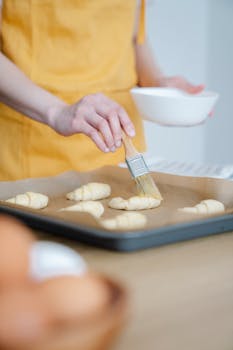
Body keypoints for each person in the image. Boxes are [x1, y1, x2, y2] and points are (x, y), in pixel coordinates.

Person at [0, 0, 204, 181]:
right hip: (33, 154)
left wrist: (159, 84)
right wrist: (56, 111)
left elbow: (132, 37)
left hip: (122, 153)